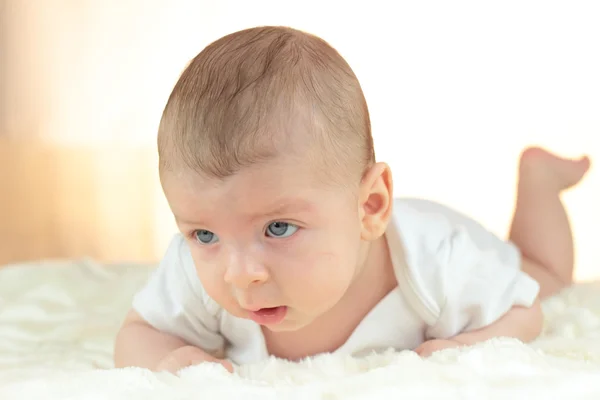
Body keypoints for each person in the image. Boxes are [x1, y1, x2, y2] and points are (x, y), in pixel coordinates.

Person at [113, 26, 591, 373]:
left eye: (277, 228)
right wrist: (174, 361)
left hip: (446, 233)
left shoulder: (439, 265)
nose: (239, 273)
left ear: (370, 207)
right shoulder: (199, 271)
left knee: (544, 275)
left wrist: (467, 345)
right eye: (204, 234)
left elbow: (525, 310)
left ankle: (539, 180)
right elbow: (139, 333)